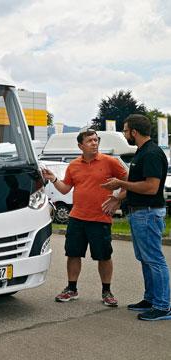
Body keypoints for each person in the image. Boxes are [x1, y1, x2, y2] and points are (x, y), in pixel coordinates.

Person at [42, 128, 127, 306]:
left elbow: (129, 182)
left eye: (96, 140)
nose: (94, 143)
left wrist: (117, 199)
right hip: (77, 218)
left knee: (104, 256)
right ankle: (71, 289)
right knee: (73, 254)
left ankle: (107, 292)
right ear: (81, 145)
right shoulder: (74, 165)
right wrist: (53, 178)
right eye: (90, 141)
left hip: (100, 218)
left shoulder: (110, 162)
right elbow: (65, 189)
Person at [101, 114, 171, 321]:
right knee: (145, 259)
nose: (124, 134)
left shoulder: (151, 153)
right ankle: (151, 299)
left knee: (154, 260)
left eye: (125, 130)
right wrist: (118, 200)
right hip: (140, 213)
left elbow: (151, 187)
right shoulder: (142, 152)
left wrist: (120, 184)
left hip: (148, 213)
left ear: (134, 132)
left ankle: (163, 306)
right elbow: (136, 186)